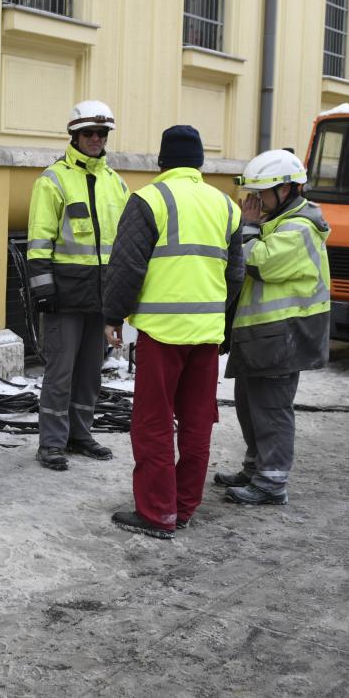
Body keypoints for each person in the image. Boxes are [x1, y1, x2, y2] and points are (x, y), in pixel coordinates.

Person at [100, 125, 244, 539]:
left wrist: (114, 315)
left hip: (162, 333)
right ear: (199, 162)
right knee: (198, 423)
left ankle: (156, 513)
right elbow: (235, 275)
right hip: (206, 334)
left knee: (154, 423)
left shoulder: (148, 200)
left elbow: (126, 267)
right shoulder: (225, 205)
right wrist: (211, 310)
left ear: (161, 161)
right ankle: (183, 508)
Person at [215, 149, 331, 506]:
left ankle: (271, 482)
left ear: (287, 190)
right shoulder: (279, 221)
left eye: (261, 194)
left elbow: (260, 262)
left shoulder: (299, 227)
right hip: (265, 335)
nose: (255, 202)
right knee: (250, 405)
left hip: (285, 336)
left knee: (271, 409)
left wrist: (248, 227)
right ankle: (255, 468)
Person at [25, 99, 131, 471]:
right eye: (89, 132)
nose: (96, 139)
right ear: (74, 134)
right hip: (64, 295)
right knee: (60, 372)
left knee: (89, 372)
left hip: (100, 294)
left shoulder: (115, 182)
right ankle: (52, 443)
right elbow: (38, 241)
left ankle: (80, 434)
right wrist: (43, 290)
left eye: (102, 133)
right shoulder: (52, 180)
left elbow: (122, 244)